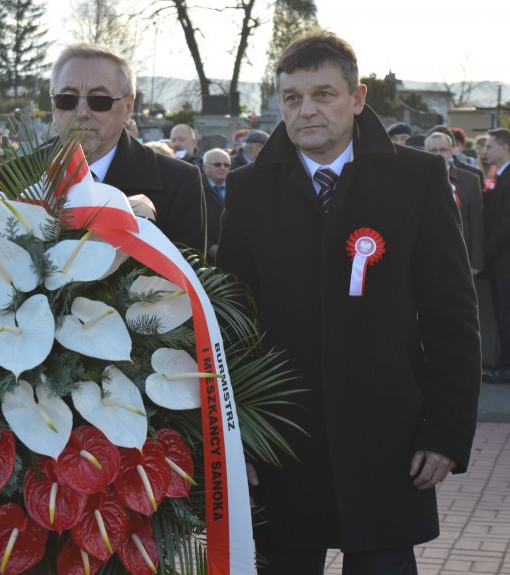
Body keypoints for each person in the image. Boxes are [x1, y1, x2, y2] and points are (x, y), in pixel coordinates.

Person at [217, 31, 480, 574]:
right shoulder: (249, 189)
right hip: (282, 444)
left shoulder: (417, 179)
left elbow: (451, 316)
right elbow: (233, 323)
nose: (306, 110)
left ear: (357, 99)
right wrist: (233, 434)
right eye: (292, 98)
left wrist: (447, 431)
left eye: (323, 94)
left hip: (389, 441)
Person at [49, 42, 206, 251]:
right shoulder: (12, 178)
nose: (81, 113)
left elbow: (187, 277)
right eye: (67, 99)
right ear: (53, 104)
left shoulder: (177, 183)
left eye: (99, 100)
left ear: (128, 107)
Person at [425, 132, 484, 274]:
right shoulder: (415, 179)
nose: (438, 154)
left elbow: (476, 222)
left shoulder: (470, 180)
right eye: (433, 150)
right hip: (427, 254)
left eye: (443, 149)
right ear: (425, 152)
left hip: (460, 254)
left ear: (452, 151)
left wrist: (476, 262)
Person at [481, 128, 510, 384]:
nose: (485, 151)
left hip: (504, 262)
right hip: (499, 262)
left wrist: (484, 253)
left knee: (506, 316)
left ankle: (507, 366)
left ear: (505, 148)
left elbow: (505, 223)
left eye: (490, 146)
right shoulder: (496, 175)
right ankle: (504, 362)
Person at [201, 147, 230, 262]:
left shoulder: (236, 187)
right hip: (205, 257)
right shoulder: (196, 188)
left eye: (227, 165)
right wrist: (209, 246)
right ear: (205, 167)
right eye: (217, 164)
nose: (223, 168)